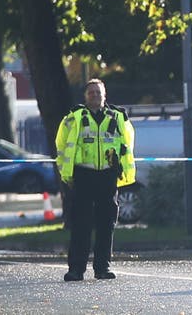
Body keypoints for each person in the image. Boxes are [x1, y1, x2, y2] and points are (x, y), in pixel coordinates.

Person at [56, 78, 136, 281]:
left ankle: (103, 268)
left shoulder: (118, 117)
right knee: (81, 224)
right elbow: (62, 144)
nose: (95, 96)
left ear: (105, 95)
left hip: (108, 176)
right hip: (83, 175)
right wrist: (67, 173)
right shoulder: (74, 117)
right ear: (85, 96)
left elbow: (127, 145)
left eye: (98, 92)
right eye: (91, 92)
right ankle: (76, 269)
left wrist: (121, 171)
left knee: (106, 224)